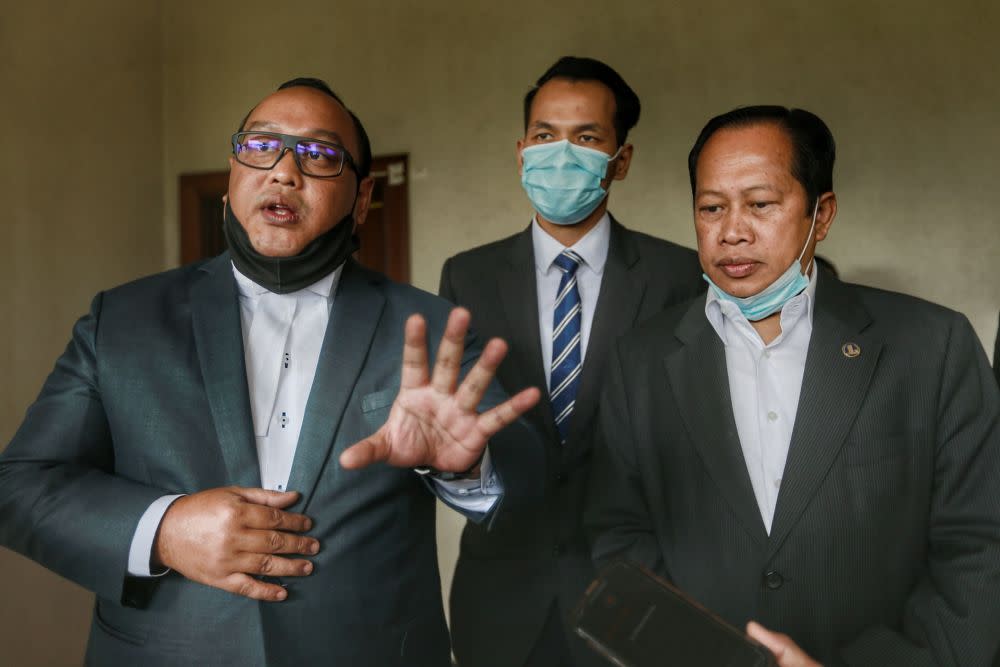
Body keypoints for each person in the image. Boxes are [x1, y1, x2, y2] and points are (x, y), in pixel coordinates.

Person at [0, 77, 546, 667]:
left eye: (319, 155)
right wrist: (164, 530)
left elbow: (528, 494)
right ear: (233, 180)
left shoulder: (430, 328)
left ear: (362, 200)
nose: (284, 171)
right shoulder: (123, 320)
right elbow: (21, 486)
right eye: (260, 147)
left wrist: (466, 466)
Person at [585, 106, 1000, 666]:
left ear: (820, 215)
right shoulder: (642, 361)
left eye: (760, 204)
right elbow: (621, 535)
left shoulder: (931, 346)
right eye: (712, 208)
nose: (732, 231)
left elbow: (977, 548)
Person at [439, 56, 703, 667]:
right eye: (544, 135)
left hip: (639, 594)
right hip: (501, 599)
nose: (562, 153)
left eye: (586, 137)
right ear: (521, 150)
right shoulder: (468, 275)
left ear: (622, 158)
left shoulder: (678, 276)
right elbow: (460, 430)